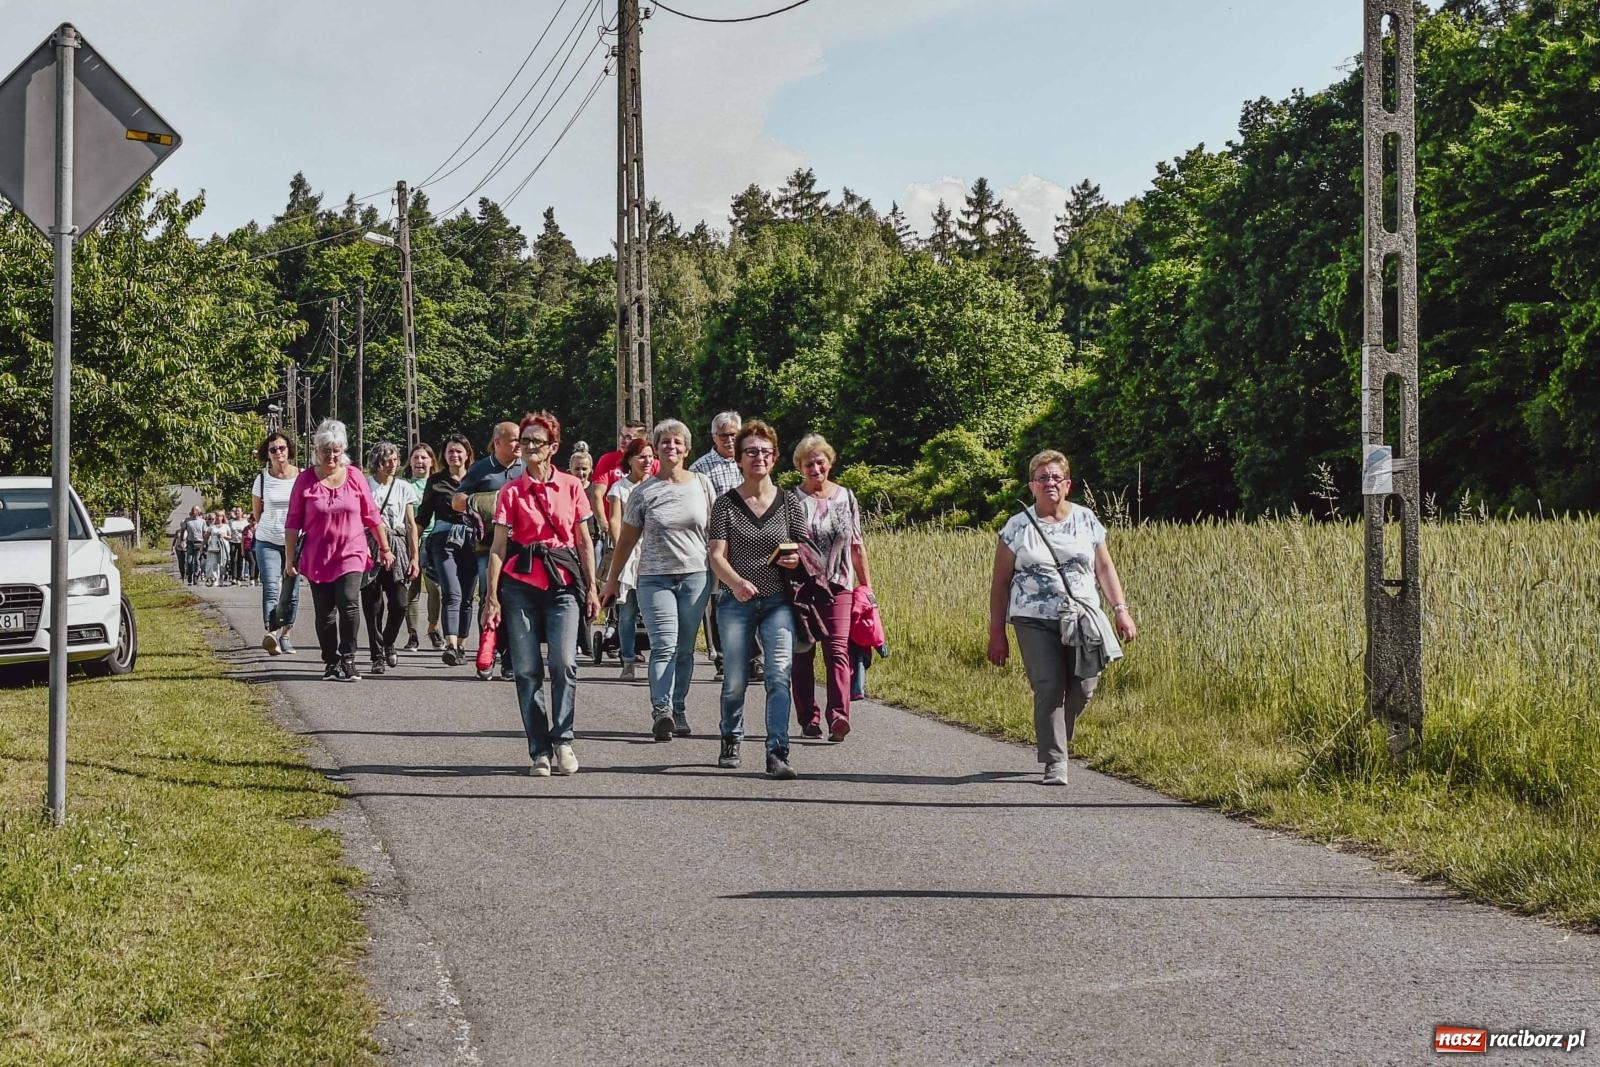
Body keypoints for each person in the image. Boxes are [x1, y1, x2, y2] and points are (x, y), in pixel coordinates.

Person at [987, 450, 1137, 787]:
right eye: (1042, 478)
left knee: (1083, 688)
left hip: (1083, 618)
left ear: (1067, 484)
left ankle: (1058, 740)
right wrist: (997, 632)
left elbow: (1103, 567)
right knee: (1049, 686)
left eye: (1056, 477)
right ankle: (1055, 761)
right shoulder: (1017, 528)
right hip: (1033, 618)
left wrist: (1120, 610)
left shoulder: (1085, 520)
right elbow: (1000, 583)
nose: (1050, 483)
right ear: (1032, 486)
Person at [483, 412, 601, 777]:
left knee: (564, 662)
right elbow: (498, 547)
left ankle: (563, 739)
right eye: (525, 442)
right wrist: (492, 596)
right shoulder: (511, 490)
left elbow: (583, 541)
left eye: (537, 442)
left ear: (553, 448)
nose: (529, 448)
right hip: (519, 586)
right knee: (527, 669)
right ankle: (539, 749)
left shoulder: (571, 486)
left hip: (563, 583)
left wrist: (593, 587)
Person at [602, 419, 715, 742]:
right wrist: (612, 581)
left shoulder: (703, 485)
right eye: (665, 442)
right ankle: (661, 710)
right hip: (654, 578)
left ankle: (678, 707)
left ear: (687, 448)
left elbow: (716, 536)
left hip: (695, 576)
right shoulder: (643, 491)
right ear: (656, 450)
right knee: (663, 645)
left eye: (677, 442)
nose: (671, 447)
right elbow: (625, 540)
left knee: (684, 648)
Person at [707, 419, 808, 780]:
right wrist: (736, 583)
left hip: (778, 600)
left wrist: (796, 559)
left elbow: (805, 547)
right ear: (738, 459)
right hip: (736, 601)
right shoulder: (725, 505)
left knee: (779, 675)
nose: (758, 458)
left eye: (765, 452)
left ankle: (777, 751)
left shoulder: (790, 503)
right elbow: (716, 555)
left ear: (775, 457)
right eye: (750, 452)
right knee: (735, 676)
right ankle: (731, 736)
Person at [285, 419, 393, 682]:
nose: (331, 456)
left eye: (336, 450)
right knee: (324, 612)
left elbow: (371, 515)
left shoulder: (354, 476)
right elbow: (292, 522)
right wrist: (289, 561)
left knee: (349, 603)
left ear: (343, 450)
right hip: (318, 554)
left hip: (351, 551)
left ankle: (348, 658)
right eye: (326, 450)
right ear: (316, 451)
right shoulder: (305, 480)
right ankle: (330, 661)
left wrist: (385, 548)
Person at [790, 433, 871, 743]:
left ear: (829, 463)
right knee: (804, 652)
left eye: (820, 462)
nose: (815, 468)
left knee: (838, 650)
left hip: (839, 585)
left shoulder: (846, 497)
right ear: (800, 467)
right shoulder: (791, 500)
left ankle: (838, 715)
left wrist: (867, 587)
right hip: (803, 587)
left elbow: (857, 544)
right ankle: (808, 718)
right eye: (808, 464)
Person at [459, 422, 525, 679]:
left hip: (520, 546)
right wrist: (486, 501)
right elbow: (457, 500)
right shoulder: (480, 469)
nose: (520, 445)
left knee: (514, 599)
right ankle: (488, 650)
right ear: (498, 442)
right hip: (487, 545)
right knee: (490, 595)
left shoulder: (526, 468)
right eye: (514, 440)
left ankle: (510, 658)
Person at [417, 434, 477, 665]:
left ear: (467, 454)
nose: (454, 455)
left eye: (459, 451)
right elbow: (423, 516)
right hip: (444, 542)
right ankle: (451, 646)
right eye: (450, 451)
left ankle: (462, 644)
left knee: (467, 596)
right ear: (444, 455)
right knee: (452, 593)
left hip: (472, 541)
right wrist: (415, 545)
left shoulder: (477, 479)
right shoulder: (436, 481)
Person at [362, 442, 421, 675]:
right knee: (373, 604)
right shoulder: (366, 485)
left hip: (397, 543)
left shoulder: (404, 487)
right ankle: (377, 655)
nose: (392, 465)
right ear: (376, 462)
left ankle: (388, 642)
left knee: (400, 602)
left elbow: (410, 524)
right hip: (370, 544)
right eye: (387, 461)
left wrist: (414, 557)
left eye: (396, 460)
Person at [690, 411, 742, 677]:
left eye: (734, 435)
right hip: (716, 543)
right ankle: (721, 656)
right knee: (719, 599)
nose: (730, 440)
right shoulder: (700, 468)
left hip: (747, 542)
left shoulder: (749, 461)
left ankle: (750, 656)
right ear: (714, 437)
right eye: (724, 436)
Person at [602, 436, 654, 680]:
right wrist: (623, 546)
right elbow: (615, 520)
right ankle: (628, 660)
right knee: (628, 610)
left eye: (650, 457)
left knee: (654, 611)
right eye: (642, 456)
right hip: (629, 554)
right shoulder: (619, 488)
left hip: (653, 553)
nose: (647, 461)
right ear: (630, 460)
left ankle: (659, 661)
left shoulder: (657, 485)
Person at [253, 432, 302, 655]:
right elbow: (257, 513)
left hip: (295, 541)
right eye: (273, 450)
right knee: (272, 586)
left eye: (281, 448)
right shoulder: (262, 479)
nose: (278, 453)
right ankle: (271, 632)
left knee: (291, 591)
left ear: (289, 450)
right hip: (268, 539)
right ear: (268, 454)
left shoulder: (301, 477)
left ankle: (286, 635)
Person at [400, 443, 441, 652]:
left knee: (435, 588)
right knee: (411, 589)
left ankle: (433, 629)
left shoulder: (437, 484)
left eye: (424, 458)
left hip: (434, 540)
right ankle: (413, 635)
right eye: (416, 458)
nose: (420, 462)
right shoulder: (403, 484)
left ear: (432, 461)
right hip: (410, 540)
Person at [588, 420, 654, 527]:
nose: (623, 440)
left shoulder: (651, 463)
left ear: (641, 440)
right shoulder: (608, 460)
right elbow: (596, 494)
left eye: (629, 437)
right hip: (616, 525)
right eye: (621, 436)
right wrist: (603, 523)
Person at [203, 510, 230, 586]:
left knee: (222, 564)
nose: (218, 518)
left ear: (222, 517)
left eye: (220, 516)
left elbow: (230, 537)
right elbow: (206, 537)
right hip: (213, 547)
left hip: (223, 548)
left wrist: (224, 536)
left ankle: (221, 578)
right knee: (213, 564)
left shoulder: (226, 526)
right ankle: (214, 579)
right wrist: (202, 546)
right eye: (217, 516)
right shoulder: (212, 527)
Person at [181, 505, 206, 585]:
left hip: (199, 542)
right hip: (190, 542)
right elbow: (182, 530)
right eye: (192, 511)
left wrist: (204, 543)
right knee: (189, 560)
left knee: (197, 560)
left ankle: (196, 577)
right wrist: (182, 540)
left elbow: (204, 532)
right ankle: (190, 575)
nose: (193, 513)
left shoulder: (202, 521)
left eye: (195, 511)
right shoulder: (187, 520)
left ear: (198, 512)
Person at [227, 506, 249, 584]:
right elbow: (228, 530)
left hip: (241, 542)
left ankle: (239, 577)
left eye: (239, 511)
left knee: (240, 559)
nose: (237, 512)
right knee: (233, 559)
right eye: (236, 511)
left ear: (242, 512)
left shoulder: (245, 522)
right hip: (233, 541)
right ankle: (233, 577)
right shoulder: (231, 522)